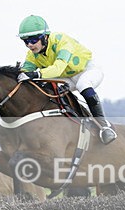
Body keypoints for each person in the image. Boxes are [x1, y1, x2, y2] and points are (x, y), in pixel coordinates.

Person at [15, 15, 117, 144]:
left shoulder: (62, 41)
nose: (29, 45)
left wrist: (36, 74)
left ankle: (104, 127)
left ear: (45, 37)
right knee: (50, 89)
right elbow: (25, 72)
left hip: (87, 70)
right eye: (25, 41)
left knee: (83, 84)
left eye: (33, 40)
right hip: (66, 77)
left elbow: (58, 68)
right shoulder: (32, 54)